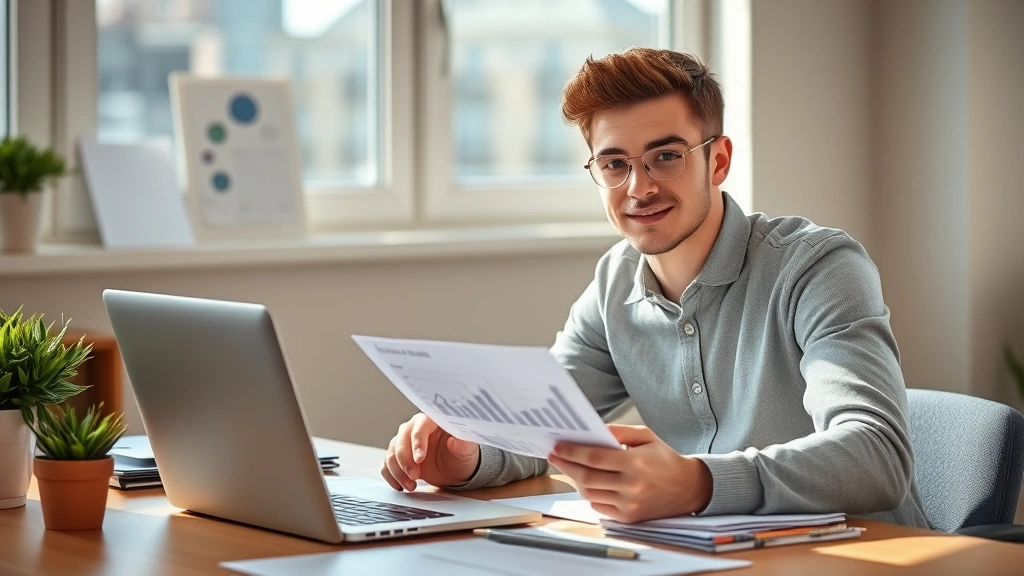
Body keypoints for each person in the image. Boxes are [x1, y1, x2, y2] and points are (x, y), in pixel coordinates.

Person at [381, 47, 929, 528]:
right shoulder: (614, 282)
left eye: (665, 156)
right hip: (715, 556)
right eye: (614, 164)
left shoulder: (818, 267)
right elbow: (544, 424)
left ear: (718, 160)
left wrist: (697, 483)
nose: (638, 187)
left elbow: (876, 455)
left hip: (864, 557)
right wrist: (464, 455)